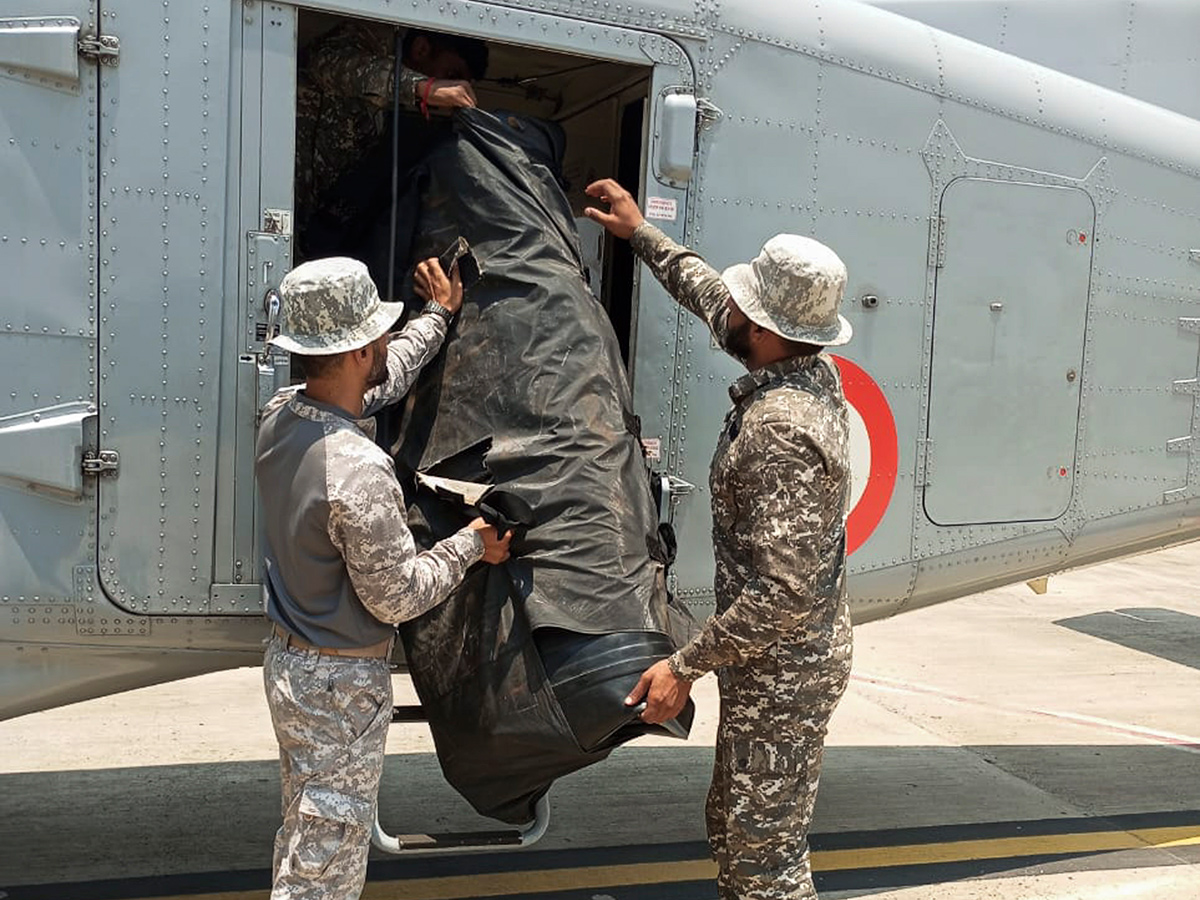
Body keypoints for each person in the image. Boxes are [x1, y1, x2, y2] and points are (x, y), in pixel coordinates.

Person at [584, 179, 854, 900]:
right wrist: (642, 234)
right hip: (770, 664)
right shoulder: (804, 365)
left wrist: (685, 665)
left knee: (762, 858)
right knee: (736, 833)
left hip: (783, 671)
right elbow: (712, 296)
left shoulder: (780, 430)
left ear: (763, 331)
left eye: (743, 306)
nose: (725, 308)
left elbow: (784, 592)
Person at [256, 254, 511, 900]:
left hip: (293, 667)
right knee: (324, 871)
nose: (383, 345)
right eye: (378, 337)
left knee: (305, 837)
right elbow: (397, 593)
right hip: (341, 687)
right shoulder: (358, 471)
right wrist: (471, 545)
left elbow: (384, 379)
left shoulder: (282, 416)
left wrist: (437, 316)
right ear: (360, 347)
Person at [294, 22, 489, 245]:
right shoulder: (365, 37)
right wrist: (422, 87)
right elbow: (329, 65)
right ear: (421, 49)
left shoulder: (381, 110)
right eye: (450, 74)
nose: (450, 89)